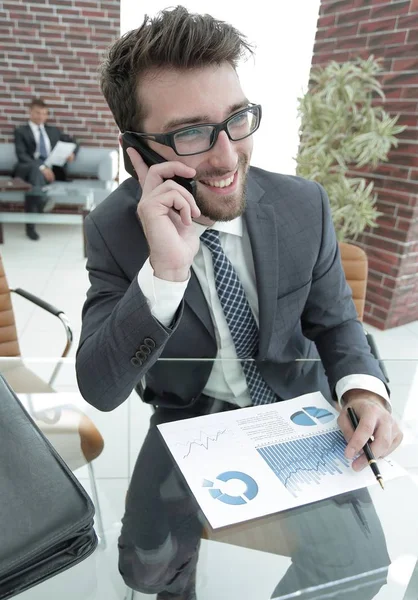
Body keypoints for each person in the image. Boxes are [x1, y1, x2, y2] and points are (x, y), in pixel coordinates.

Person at [75, 7, 403, 598]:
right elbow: (100, 387)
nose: (227, 159)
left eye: (238, 120)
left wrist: (360, 388)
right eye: (191, 133)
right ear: (137, 155)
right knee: (144, 570)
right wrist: (166, 271)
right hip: (189, 417)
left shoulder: (304, 205)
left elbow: (336, 326)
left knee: (362, 568)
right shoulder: (113, 229)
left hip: (295, 411)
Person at [13, 98, 78, 240]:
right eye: (37, 113)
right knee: (35, 174)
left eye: (44, 113)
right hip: (27, 169)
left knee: (36, 181)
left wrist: (72, 153)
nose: (41, 116)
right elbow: (22, 155)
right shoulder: (21, 131)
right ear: (30, 112)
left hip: (51, 170)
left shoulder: (53, 131)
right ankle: (42, 203)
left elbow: (73, 141)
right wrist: (41, 167)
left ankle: (31, 224)